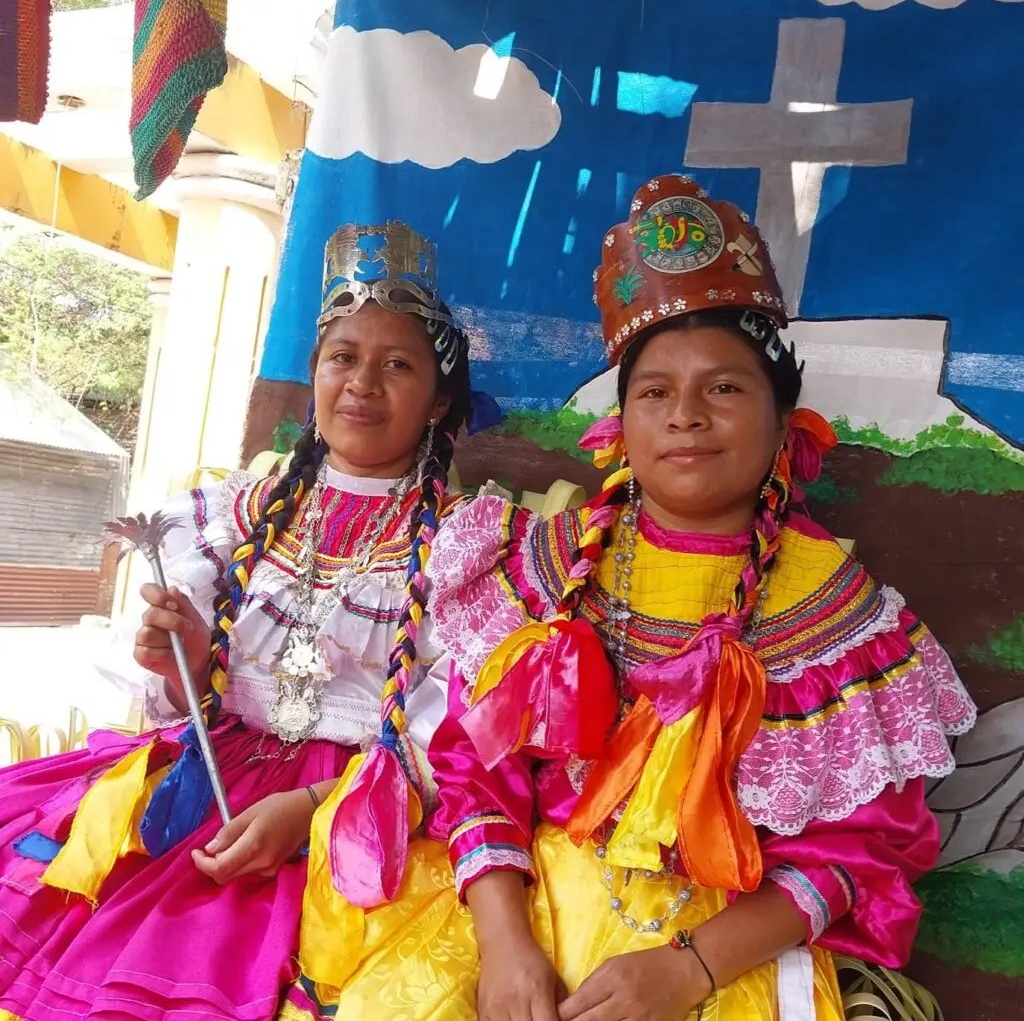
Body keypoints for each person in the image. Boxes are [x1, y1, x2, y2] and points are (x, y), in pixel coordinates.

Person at [280, 177, 976, 1021]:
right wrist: (504, 947)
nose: (684, 416)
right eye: (654, 392)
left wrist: (689, 972)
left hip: (723, 957)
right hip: (514, 923)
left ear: (783, 416)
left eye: (723, 388)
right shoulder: (543, 569)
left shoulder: (846, 620)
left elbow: (861, 852)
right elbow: (476, 769)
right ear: (621, 425)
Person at [0, 220, 492, 1021]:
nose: (363, 383)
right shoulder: (237, 513)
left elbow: (460, 741)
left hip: (358, 808)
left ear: (439, 399)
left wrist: (317, 811)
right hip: (205, 777)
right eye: (344, 358)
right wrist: (185, 657)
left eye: (397, 365)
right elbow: (188, 696)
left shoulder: (471, 544)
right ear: (314, 375)